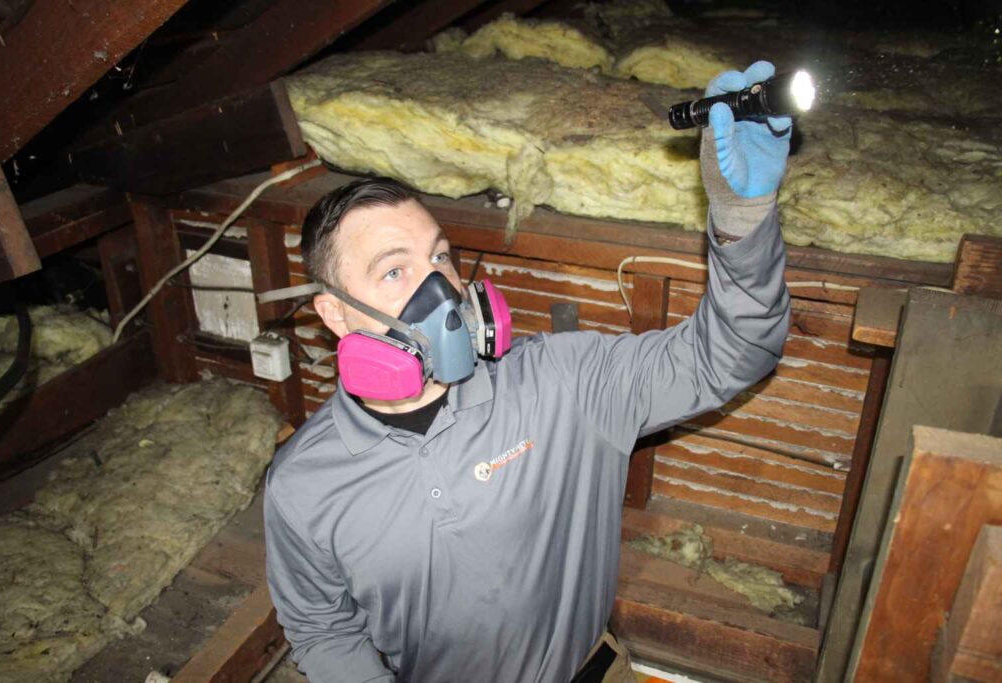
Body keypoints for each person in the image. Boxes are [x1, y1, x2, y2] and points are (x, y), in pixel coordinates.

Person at [264, 62, 792, 682]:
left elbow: (733, 349)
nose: (439, 288)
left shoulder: (564, 385)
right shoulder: (303, 485)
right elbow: (322, 629)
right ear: (335, 314)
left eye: (440, 256)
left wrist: (741, 218)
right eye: (394, 271)